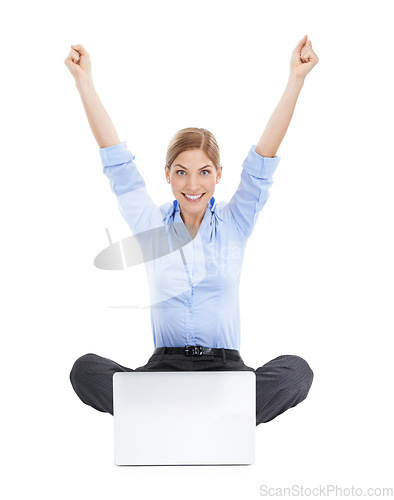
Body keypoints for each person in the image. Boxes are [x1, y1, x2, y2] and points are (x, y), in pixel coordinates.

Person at [64, 35, 319, 425]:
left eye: (203, 172)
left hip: (226, 372)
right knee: (84, 368)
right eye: (181, 172)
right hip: (163, 373)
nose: (192, 184)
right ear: (167, 175)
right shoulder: (150, 225)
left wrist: (295, 79)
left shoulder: (236, 223)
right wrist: (85, 82)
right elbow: (118, 167)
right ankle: (209, 420)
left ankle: (174, 419)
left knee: (297, 371)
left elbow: (263, 160)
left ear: (218, 176)